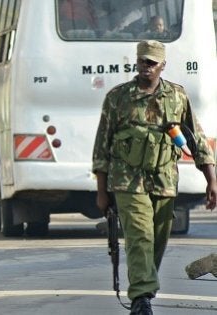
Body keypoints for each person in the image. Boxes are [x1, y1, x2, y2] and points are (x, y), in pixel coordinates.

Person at [92, 40, 217, 315]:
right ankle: (141, 298)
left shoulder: (177, 96)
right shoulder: (118, 98)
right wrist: (101, 191)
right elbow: (102, 147)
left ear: (162, 65)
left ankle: (145, 289)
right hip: (127, 182)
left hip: (163, 181)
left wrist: (211, 179)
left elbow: (195, 138)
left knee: (157, 240)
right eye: (142, 62)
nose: (145, 67)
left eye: (151, 63)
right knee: (140, 237)